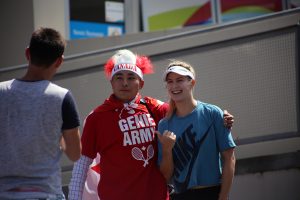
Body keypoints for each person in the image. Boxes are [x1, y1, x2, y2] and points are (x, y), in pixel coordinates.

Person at [68, 49, 234, 200]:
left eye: (131, 77)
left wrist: (223, 117)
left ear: (141, 83)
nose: (125, 83)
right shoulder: (96, 117)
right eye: (119, 77)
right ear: (111, 82)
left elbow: (189, 112)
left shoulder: (155, 107)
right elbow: (81, 166)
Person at [0, 27, 82, 200]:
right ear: (59, 61)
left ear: (27, 53)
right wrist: (56, 133)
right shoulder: (62, 98)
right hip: (46, 194)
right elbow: (75, 154)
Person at [157, 60, 236, 200]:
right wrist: (167, 150)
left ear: (192, 82)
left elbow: (229, 157)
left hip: (212, 192)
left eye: (179, 80)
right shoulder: (164, 125)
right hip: (180, 195)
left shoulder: (213, 113)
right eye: (170, 81)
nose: (174, 86)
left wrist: (223, 196)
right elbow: (165, 175)